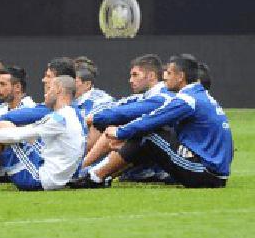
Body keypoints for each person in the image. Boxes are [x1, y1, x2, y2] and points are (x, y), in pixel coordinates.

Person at [76, 54, 233, 189]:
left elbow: (151, 120)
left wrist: (119, 132)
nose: (165, 77)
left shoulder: (187, 99)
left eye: (169, 73)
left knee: (148, 133)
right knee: (144, 132)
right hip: (214, 171)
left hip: (207, 173)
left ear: (181, 77)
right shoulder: (199, 96)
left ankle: (91, 175)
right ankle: (96, 175)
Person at [0, 75, 85, 192]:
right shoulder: (72, 114)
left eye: (49, 88)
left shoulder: (60, 118)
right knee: (3, 128)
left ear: (58, 90)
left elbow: (19, 135)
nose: (46, 93)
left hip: (43, 178)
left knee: (2, 131)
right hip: (57, 174)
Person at [78, 54, 172, 183]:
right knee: (111, 128)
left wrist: (93, 118)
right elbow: (118, 107)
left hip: (172, 155)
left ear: (151, 76)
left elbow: (123, 114)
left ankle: (83, 172)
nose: (130, 80)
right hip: (155, 152)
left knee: (116, 131)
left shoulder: (163, 95)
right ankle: (85, 171)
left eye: (135, 75)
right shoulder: (144, 96)